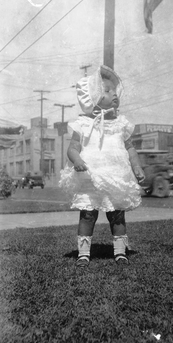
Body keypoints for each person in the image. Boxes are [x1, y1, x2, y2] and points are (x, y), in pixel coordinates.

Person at [59, 65, 145, 267]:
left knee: (117, 214)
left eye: (114, 90)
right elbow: (72, 148)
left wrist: (137, 167)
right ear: (93, 97)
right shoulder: (83, 124)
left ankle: (120, 252)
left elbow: (130, 149)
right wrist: (77, 160)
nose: (113, 93)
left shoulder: (121, 123)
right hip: (90, 176)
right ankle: (83, 253)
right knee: (88, 214)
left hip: (115, 176)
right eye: (106, 91)